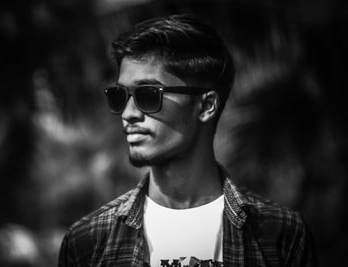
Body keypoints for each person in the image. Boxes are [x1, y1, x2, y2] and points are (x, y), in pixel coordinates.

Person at [58, 14, 317, 267]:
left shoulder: (281, 236)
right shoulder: (89, 242)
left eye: (148, 95)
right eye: (119, 96)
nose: (128, 114)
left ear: (206, 106)